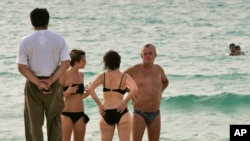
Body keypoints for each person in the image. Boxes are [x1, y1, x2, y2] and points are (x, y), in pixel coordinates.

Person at [16, 8, 70, 141]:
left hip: (34, 85)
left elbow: (21, 67)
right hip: (54, 83)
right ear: (48, 21)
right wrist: (51, 81)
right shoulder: (59, 39)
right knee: (55, 121)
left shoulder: (25, 41)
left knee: (33, 124)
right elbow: (66, 63)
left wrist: (38, 83)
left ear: (32, 22)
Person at [88, 50, 138, 141]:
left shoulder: (102, 76)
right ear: (119, 61)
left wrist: (99, 105)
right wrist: (125, 102)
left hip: (106, 112)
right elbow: (135, 89)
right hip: (121, 111)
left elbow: (90, 89)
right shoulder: (124, 76)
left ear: (106, 63)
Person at [124, 44, 169, 141]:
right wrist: (130, 92)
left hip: (156, 113)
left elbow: (165, 81)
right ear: (141, 56)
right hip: (140, 113)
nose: (148, 55)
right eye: (145, 54)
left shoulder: (159, 70)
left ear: (155, 55)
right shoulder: (134, 70)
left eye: (150, 53)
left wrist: (160, 91)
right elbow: (118, 80)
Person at [60, 49, 90, 141]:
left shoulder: (81, 75)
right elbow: (56, 97)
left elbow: (80, 97)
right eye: (84, 60)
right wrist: (67, 92)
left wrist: (88, 92)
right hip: (66, 114)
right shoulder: (63, 75)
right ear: (76, 61)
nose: (86, 62)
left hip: (80, 114)